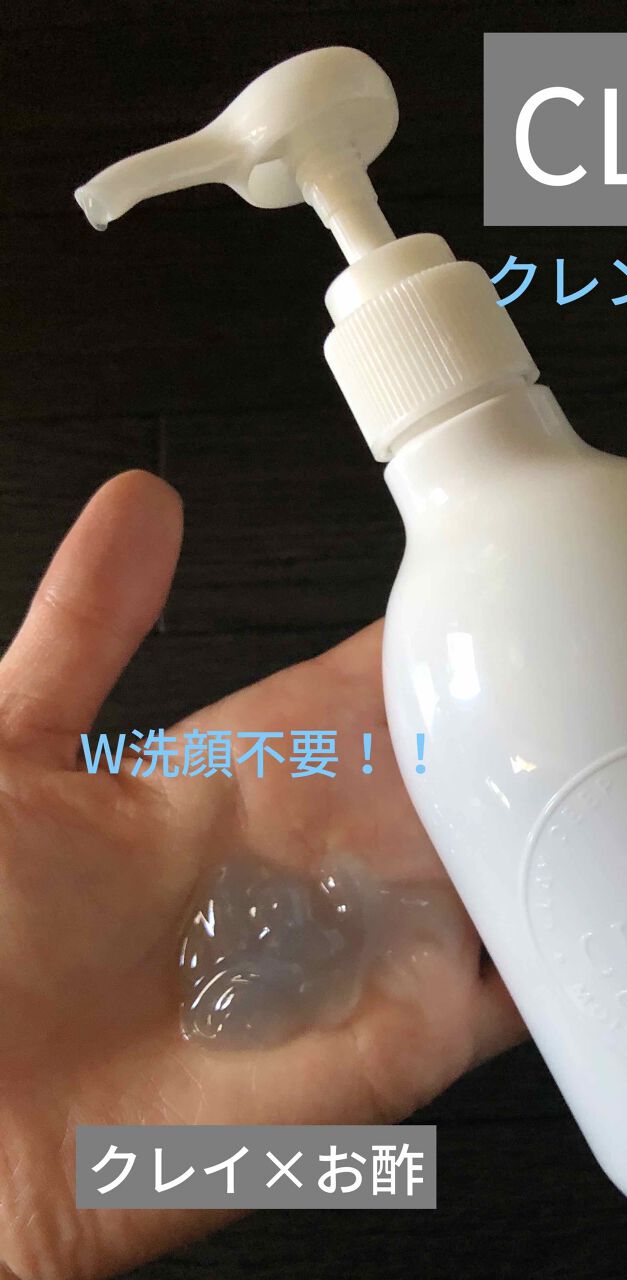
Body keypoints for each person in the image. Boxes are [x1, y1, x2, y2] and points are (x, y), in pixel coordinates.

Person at [0, 470, 525, 1279]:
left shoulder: (57, 1205)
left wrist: (35, 1211)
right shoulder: (56, 1205)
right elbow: (363, 1170)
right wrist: (33, 1211)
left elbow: (72, 1202)